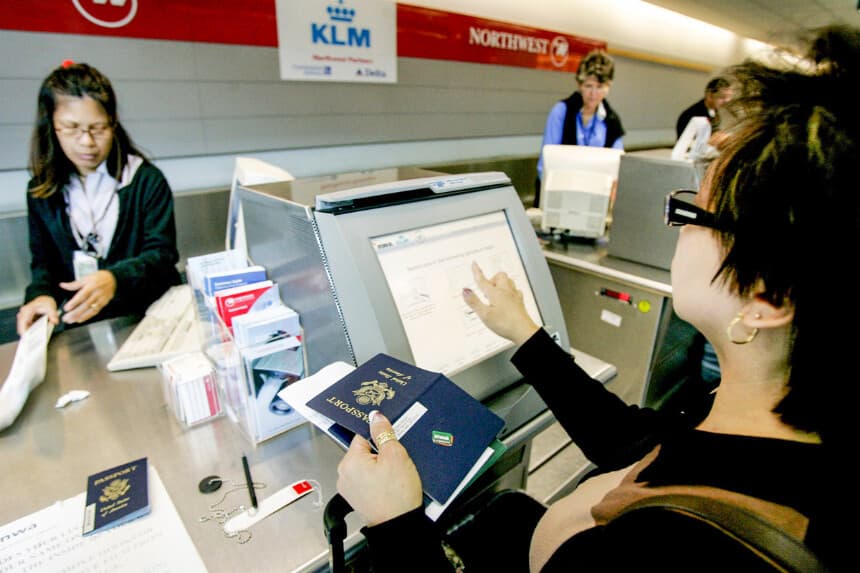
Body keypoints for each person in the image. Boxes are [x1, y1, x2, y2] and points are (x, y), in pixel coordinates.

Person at [336, 24, 857, 571]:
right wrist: (528, 335)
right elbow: (643, 448)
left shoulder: (681, 551)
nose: (678, 226)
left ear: (764, 299)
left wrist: (396, 525)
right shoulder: (768, 424)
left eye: (696, 213)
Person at [16, 62, 181, 336]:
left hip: (150, 318)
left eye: (98, 128)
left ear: (113, 123)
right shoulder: (41, 191)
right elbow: (43, 264)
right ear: (51, 126)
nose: (87, 142)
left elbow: (162, 255)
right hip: (86, 326)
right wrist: (40, 296)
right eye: (71, 128)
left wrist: (115, 279)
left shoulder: (145, 180)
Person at [534, 49, 625, 207]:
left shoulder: (611, 121)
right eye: (588, 86)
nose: (593, 93)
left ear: (608, 87)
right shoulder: (561, 112)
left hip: (594, 200)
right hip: (559, 196)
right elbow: (545, 163)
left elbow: (618, 163)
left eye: (599, 86)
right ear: (579, 85)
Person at [675, 76, 733, 140]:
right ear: (709, 96)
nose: (727, 101)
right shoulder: (692, 115)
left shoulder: (714, 111)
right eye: (722, 97)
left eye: (729, 96)